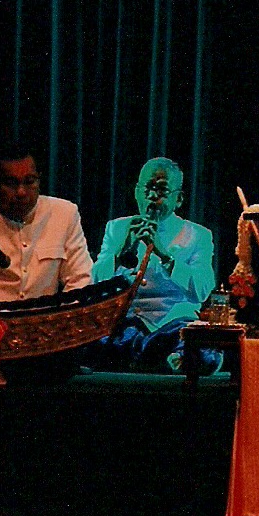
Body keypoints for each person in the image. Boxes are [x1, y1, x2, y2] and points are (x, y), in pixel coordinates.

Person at [89, 157, 220, 373]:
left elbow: (203, 290)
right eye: (147, 189)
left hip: (173, 324)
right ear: (136, 192)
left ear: (178, 199)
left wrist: (165, 255)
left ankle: (163, 358)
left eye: (161, 190)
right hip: (127, 323)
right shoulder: (117, 228)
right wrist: (121, 253)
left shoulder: (198, 235)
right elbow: (95, 283)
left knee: (204, 352)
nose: (151, 196)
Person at [0, 148, 94, 302]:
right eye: (11, 183)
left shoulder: (65, 213)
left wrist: (67, 313)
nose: (21, 192)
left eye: (29, 182)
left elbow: (80, 280)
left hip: (50, 314)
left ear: (39, 181)